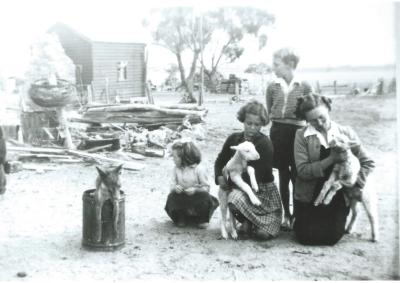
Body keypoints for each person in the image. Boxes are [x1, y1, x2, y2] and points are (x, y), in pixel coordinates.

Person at [292, 93, 375, 245]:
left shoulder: (345, 133)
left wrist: (357, 184)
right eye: (313, 120)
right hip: (309, 194)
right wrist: (331, 159)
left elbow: (368, 162)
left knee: (331, 237)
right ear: (306, 120)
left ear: (328, 109)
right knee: (304, 236)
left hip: (337, 194)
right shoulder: (301, 135)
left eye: (322, 117)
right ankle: (299, 218)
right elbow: (302, 171)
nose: (319, 123)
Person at [215, 100, 282, 240]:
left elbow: (256, 176)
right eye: (248, 123)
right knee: (232, 199)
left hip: (263, 193)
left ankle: (258, 224)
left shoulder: (264, 144)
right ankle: (246, 221)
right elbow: (220, 160)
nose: (252, 128)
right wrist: (220, 177)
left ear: (262, 124)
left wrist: (231, 175)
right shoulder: (234, 140)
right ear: (243, 121)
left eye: (256, 125)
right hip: (241, 188)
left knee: (262, 236)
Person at [266, 47, 313, 229]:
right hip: (278, 132)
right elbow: (270, 109)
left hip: (298, 134)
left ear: (290, 64)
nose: (273, 68)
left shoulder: (305, 86)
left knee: (297, 175)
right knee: (283, 175)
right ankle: (286, 214)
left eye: (277, 64)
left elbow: (310, 110)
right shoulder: (272, 86)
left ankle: (299, 215)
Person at [165, 140, 219, 229]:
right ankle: (181, 218)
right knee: (172, 196)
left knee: (204, 195)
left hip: (196, 199)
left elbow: (206, 187)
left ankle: (202, 219)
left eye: (175, 157)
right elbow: (172, 185)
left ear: (184, 157)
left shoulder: (198, 169)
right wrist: (175, 188)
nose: (173, 160)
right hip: (182, 198)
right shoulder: (176, 169)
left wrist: (196, 189)